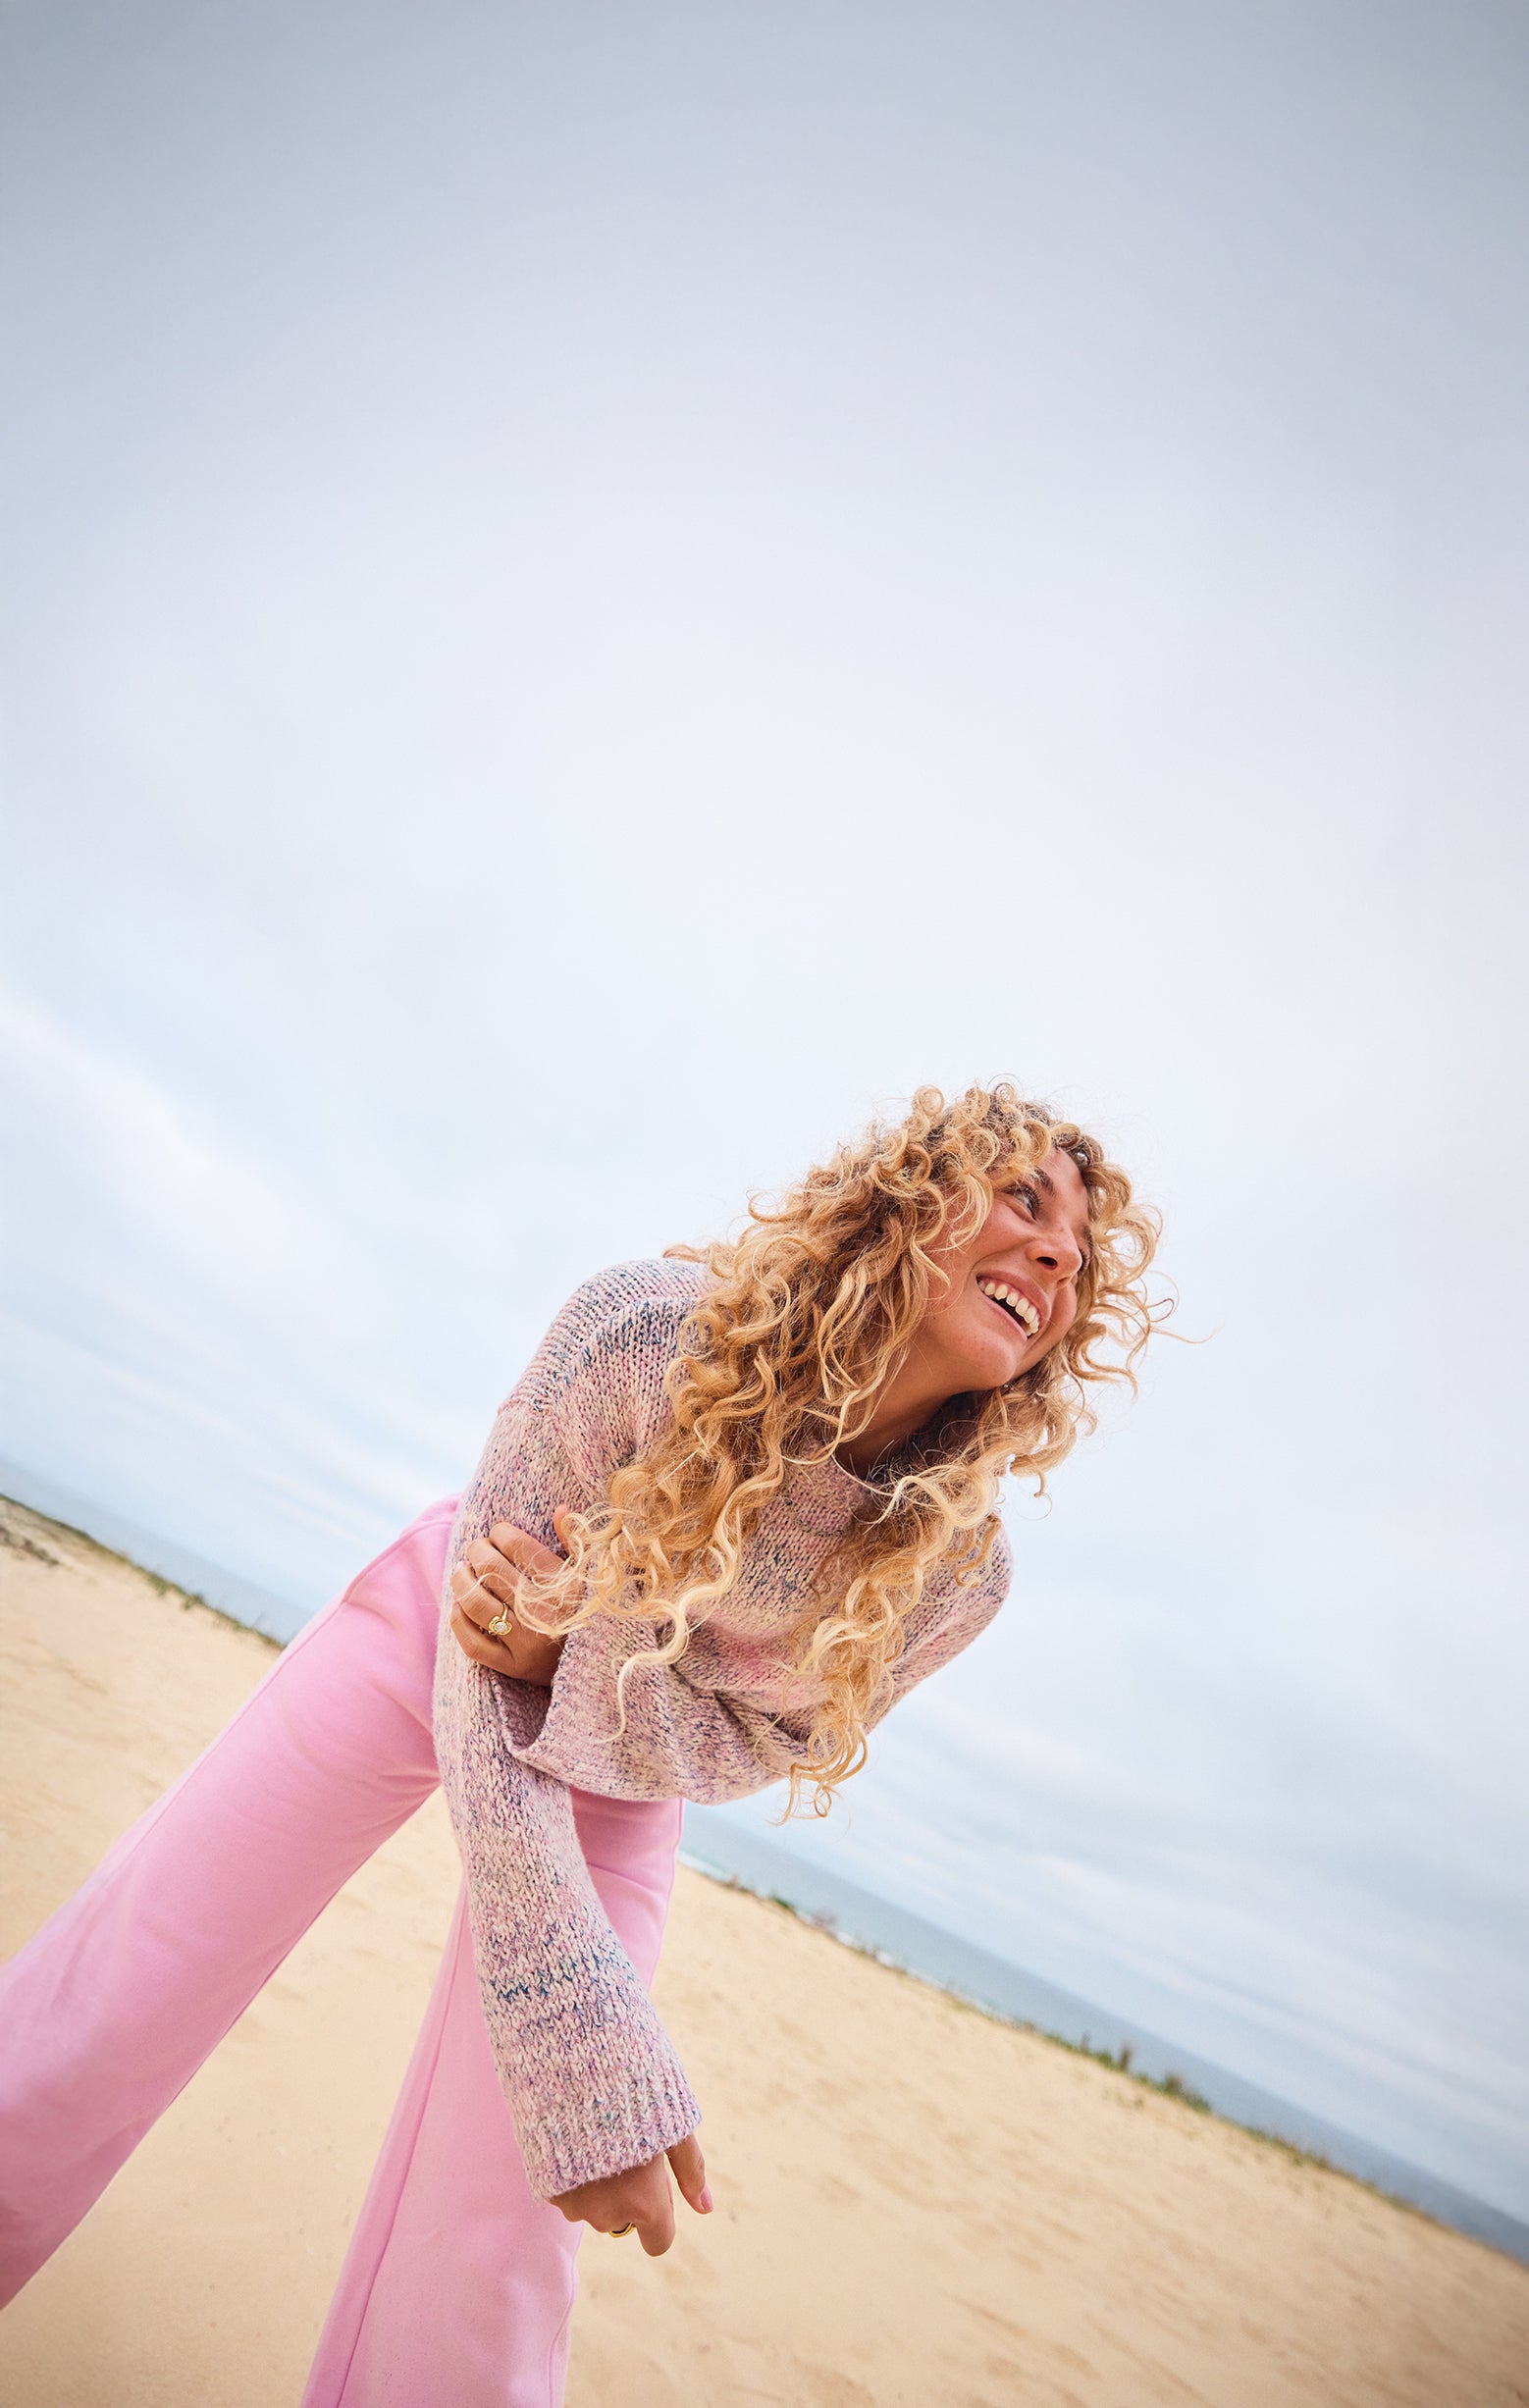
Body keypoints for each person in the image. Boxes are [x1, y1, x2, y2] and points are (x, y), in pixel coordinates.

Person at [0, 1083, 1158, 2406]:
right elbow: (485, 1610)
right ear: (909, 1202)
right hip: (431, 1634)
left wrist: (580, 1663)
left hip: (629, 1763)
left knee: (504, 2231)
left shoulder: (954, 1572)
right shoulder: (646, 1330)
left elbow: (759, 1740)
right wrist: (576, 2022)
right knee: (135, 1975)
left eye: (1078, 1248)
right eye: (1022, 1198)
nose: (1059, 1252)